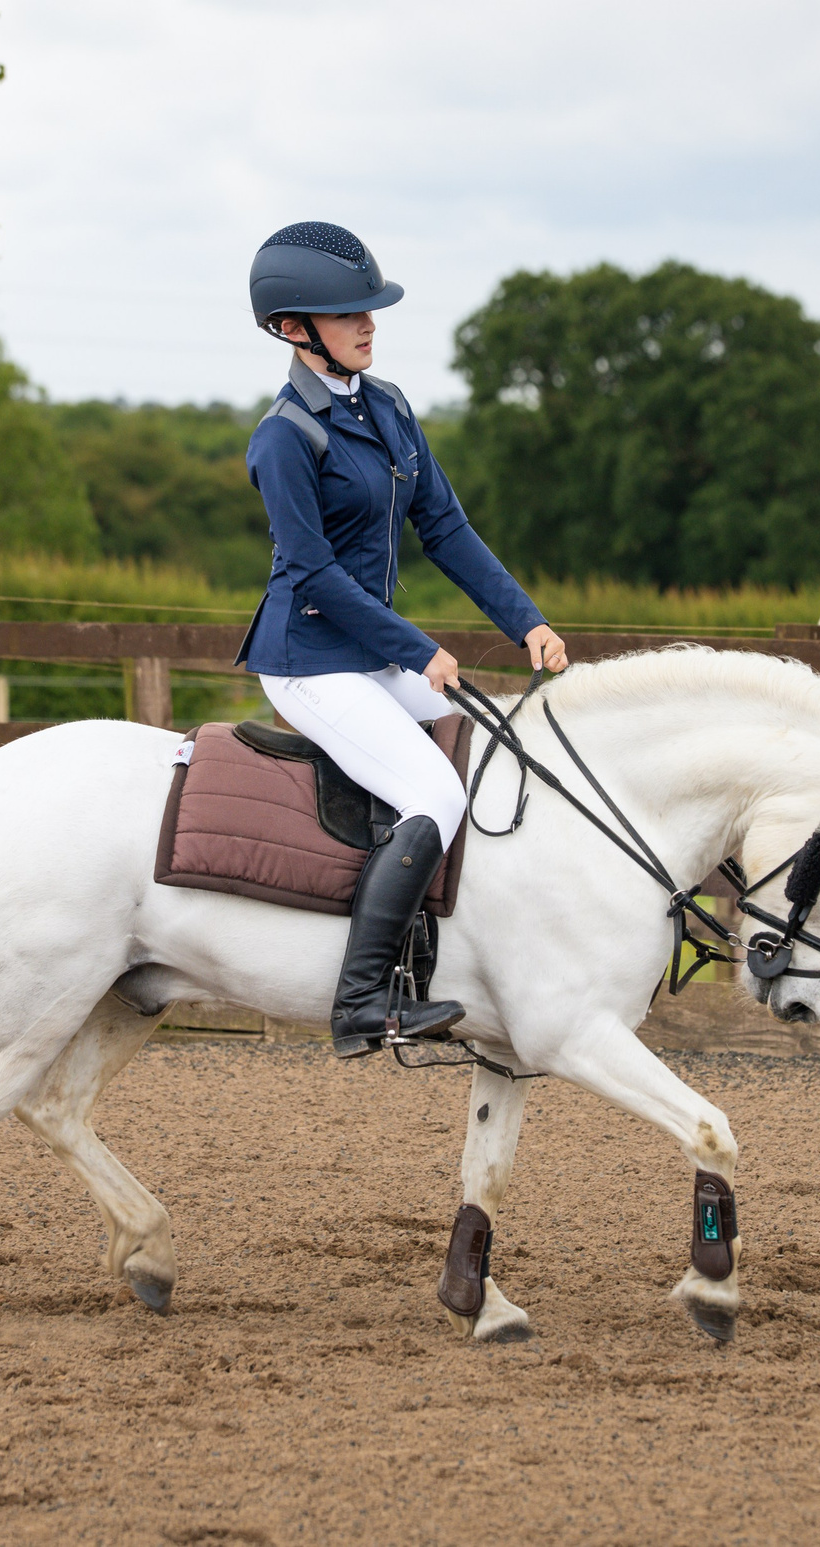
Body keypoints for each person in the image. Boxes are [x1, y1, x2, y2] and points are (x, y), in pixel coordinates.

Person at [236, 221, 571, 1058]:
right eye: (347, 313)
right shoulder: (284, 436)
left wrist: (526, 620)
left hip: (372, 654)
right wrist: (418, 647)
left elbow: (445, 528)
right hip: (308, 661)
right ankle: (361, 1001)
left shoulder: (387, 406)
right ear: (292, 328)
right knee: (434, 792)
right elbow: (313, 573)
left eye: (370, 309)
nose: (368, 323)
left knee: (503, 740)